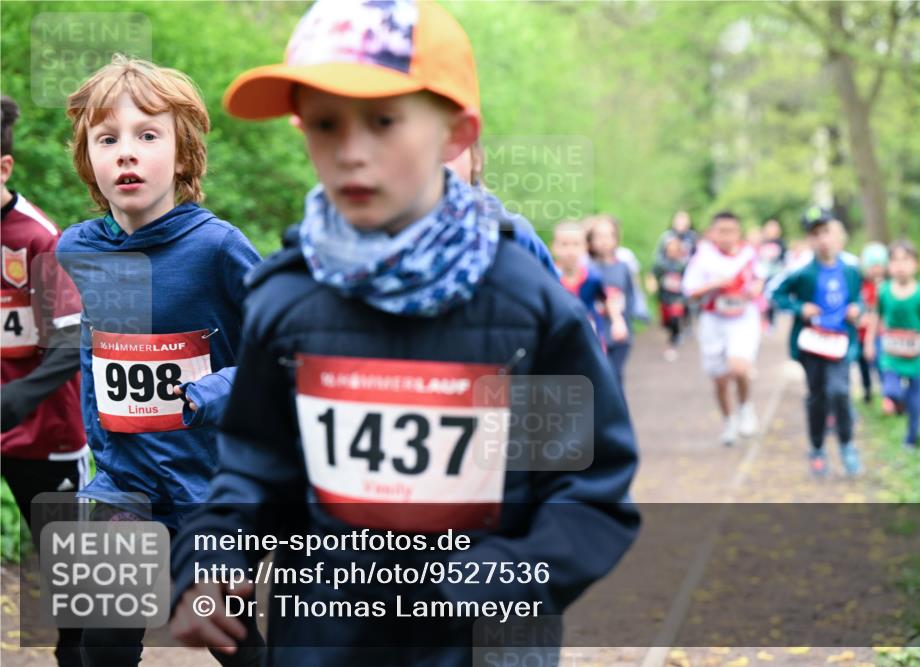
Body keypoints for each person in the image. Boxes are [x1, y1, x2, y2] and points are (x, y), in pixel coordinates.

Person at [168, 3, 640, 666]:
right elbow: (253, 471)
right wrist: (210, 561)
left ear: (456, 133)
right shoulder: (286, 297)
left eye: (383, 121)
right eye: (324, 123)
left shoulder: (522, 305)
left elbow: (585, 495)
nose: (350, 150)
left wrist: (479, 583)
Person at [56, 55, 263, 666]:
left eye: (148, 136)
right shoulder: (77, 249)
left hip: (206, 486)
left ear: (182, 155)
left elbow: (277, 353)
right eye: (108, 138)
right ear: (89, 157)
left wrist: (207, 394)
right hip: (124, 483)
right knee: (104, 643)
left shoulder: (217, 248)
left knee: (230, 638)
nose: (127, 152)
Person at [1, 94, 87, 667]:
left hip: (43, 435)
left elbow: (72, 343)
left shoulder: (38, 238)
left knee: (73, 578)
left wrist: (11, 403)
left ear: (4, 167)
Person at [772, 207, 864, 477]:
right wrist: (800, 307)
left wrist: (856, 308)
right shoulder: (801, 271)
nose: (822, 239)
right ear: (809, 239)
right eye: (815, 234)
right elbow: (776, 294)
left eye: (826, 232)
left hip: (841, 343)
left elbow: (860, 297)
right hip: (812, 344)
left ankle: (847, 445)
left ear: (835, 234)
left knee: (840, 391)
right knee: (817, 397)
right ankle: (817, 448)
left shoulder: (850, 269)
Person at [682, 211, 764, 446]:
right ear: (712, 233)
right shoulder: (703, 258)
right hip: (713, 319)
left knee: (739, 367)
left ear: (738, 233)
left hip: (742, 318)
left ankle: (746, 407)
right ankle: (729, 423)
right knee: (719, 379)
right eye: (721, 231)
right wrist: (713, 285)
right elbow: (690, 290)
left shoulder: (748, 255)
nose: (726, 236)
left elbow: (759, 280)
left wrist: (755, 289)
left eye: (731, 231)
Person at [865, 240, 920, 449]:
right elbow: (875, 317)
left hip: (915, 357)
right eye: (895, 260)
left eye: (905, 260)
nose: (900, 266)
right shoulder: (884, 292)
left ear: (916, 264)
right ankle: (897, 403)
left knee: (916, 403)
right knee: (892, 390)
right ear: (889, 265)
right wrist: (869, 342)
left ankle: (911, 439)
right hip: (891, 354)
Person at [445, 141, 558, 276]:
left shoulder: (514, 231)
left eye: (451, 148)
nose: (440, 161)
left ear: (476, 160)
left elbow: (549, 291)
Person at [587, 214, 639, 388]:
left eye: (608, 236)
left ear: (616, 239)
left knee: (615, 376)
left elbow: (630, 297)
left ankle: (618, 414)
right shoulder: (586, 268)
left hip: (619, 334)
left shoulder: (622, 267)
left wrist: (626, 324)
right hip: (594, 332)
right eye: (598, 236)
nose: (603, 241)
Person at [552, 220, 608, 346]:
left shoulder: (594, 278)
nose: (570, 251)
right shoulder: (548, 280)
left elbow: (605, 301)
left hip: (590, 343)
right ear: (554, 246)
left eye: (576, 244)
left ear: (585, 247)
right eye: (564, 244)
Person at [858, 242, 888, 404]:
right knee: (863, 364)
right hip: (862, 333)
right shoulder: (862, 286)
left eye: (879, 265)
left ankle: (887, 395)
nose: (876, 269)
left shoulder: (888, 286)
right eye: (872, 265)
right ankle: (867, 390)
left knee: (881, 364)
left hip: (880, 333)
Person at [652, 233, 687, 361]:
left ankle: (672, 345)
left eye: (675, 248)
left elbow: (689, 279)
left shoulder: (683, 265)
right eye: (670, 248)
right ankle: (672, 337)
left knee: (675, 319)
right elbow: (652, 276)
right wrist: (653, 285)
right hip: (664, 297)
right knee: (666, 323)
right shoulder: (661, 264)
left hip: (678, 298)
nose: (673, 251)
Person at [758, 218, 786, 328]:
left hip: (775, 275)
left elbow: (783, 259)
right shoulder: (762, 242)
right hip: (762, 275)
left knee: (771, 298)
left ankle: (771, 320)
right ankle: (763, 319)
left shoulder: (781, 243)